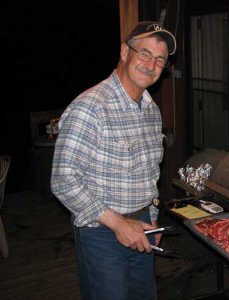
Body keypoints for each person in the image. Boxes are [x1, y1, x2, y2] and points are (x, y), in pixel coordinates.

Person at [51, 21, 176, 300]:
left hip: (142, 224)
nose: (151, 64)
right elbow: (63, 179)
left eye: (160, 59)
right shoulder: (90, 106)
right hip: (101, 234)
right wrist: (119, 224)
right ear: (124, 52)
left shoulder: (151, 110)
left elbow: (149, 173)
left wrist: (153, 219)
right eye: (144, 53)